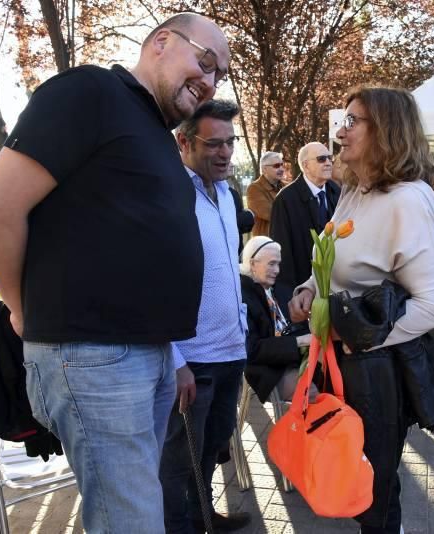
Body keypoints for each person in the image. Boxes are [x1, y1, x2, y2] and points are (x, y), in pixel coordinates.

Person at [0, 13, 228, 533]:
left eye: (219, 73)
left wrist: (169, 356)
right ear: (160, 42)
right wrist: (20, 307)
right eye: (204, 61)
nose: (210, 80)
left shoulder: (151, 129)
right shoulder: (90, 93)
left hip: (144, 353)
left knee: (133, 512)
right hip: (92, 357)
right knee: (130, 522)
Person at [290, 86, 434, 534]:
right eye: (344, 120)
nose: (340, 131)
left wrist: (356, 334)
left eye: (352, 121)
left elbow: (433, 306)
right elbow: (335, 263)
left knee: (375, 492)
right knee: (356, 479)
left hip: (377, 372)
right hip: (343, 363)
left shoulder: (408, 200)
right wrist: (307, 288)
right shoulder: (355, 191)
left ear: (387, 131)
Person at [159, 100, 250, 534]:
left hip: (231, 351)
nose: (225, 152)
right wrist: (175, 362)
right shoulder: (168, 196)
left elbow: (224, 269)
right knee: (176, 467)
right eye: (213, 143)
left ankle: (203, 518)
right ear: (183, 141)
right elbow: (150, 282)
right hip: (192, 362)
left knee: (212, 450)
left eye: (230, 143)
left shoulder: (228, 195)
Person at [239, 236, 316, 402]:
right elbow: (253, 350)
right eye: (271, 264)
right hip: (267, 369)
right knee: (310, 393)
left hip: (293, 359)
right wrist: (300, 341)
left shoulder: (279, 289)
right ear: (252, 264)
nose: (277, 270)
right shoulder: (243, 296)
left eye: (278, 264)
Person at [269, 142, 341, 288]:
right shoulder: (286, 199)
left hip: (334, 284)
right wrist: (289, 294)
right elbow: (283, 252)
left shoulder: (337, 191)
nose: (328, 163)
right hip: (301, 285)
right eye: (321, 159)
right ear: (306, 165)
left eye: (329, 158)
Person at [247, 151, 286, 236]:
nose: (281, 169)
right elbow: (272, 213)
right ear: (264, 169)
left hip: (286, 239)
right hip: (267, 242)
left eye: (282, 164)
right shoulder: (254, 188)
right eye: (276, 166)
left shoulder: (287, 187)